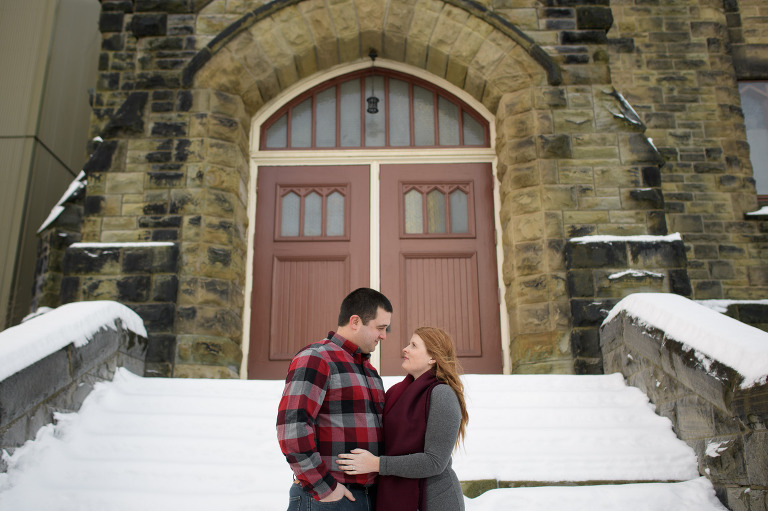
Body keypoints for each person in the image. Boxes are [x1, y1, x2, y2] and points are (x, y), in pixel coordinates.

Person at [277, 287, 392, 510]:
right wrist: (323, 488)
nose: (383, 336)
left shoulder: (369, 371)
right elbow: (291, 428)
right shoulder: (316, 357)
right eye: (380, 328)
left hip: (368, 498)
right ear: (355, 321)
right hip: (329, 499)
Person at [336, 326, 469, 511]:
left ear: (432, 358)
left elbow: (434, 462)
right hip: (392, 495)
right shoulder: (395, 392)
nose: (405, 349)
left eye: (414, 345)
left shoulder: (442, 394)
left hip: (434, 501)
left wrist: (377, 464)